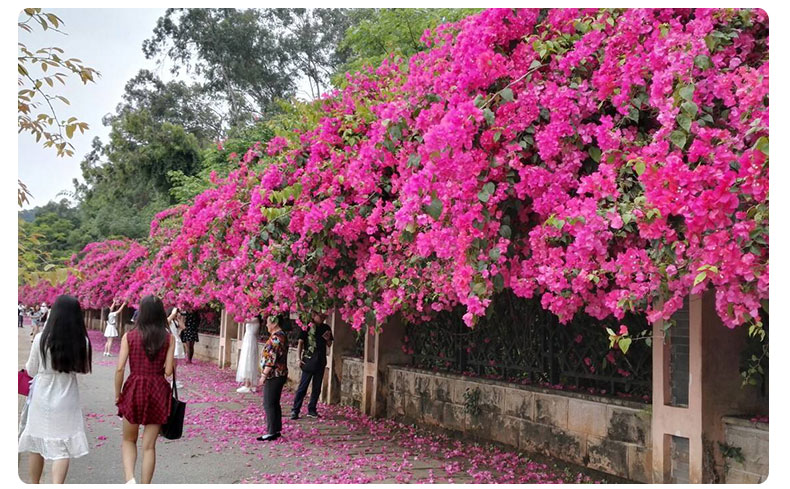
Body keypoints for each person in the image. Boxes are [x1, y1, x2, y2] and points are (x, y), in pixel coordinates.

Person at [18, 295, 92, 484]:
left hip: (42, 395)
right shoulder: (82, 341)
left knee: (36, 442)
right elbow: (81, 369)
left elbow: (31, 370)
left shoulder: (41, 339)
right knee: (62, 447)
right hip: (67, 395)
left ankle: (34, 484)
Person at [115, 295, 175, 484]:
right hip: (158, 390)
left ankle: (129, 479)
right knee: (149, 447)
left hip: (134, 389)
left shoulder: (129, 336)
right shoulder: (168, 338)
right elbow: (167, 372)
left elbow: (120, 368)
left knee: (128, 440)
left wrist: (118, 395)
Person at [290, 311, 333, 419]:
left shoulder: (326, 327)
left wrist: (328, 339)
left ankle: (312, 409)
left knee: (317, 387)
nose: (323, 318)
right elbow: (300, 343)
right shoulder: (307, 327)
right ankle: (295, 410)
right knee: (303, 387)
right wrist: (298, 358)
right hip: (308, 360)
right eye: (321, 316)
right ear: (314, 316)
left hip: (320, 360)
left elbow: (329, 344)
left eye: (324, 316)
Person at [256, 314, 289, 441]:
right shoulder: (281, 335)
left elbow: (271, 359)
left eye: (268, 322)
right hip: (279, 373)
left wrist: (263, 375)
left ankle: (271, 431)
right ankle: (275, 430)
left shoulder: (276, 337)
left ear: (274, 323)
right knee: (274, 403)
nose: (266, 325)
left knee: (269, 402)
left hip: (274, 374)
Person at [236, 316, 261, 393]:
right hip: (247, 340)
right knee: (246, 361)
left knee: (249, 361)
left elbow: (245, 320)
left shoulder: (255, 319)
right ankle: (248, 384)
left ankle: (249, 385)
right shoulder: (252, 318)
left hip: (250, 341)